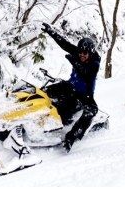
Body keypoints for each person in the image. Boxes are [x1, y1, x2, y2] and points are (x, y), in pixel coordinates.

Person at [40, 22, 100, 152]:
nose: (82, 55)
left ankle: (71, 137)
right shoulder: (78, 53)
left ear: (90, 53)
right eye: (80, 53)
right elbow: (65, 44)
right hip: (70, 85)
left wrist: (73, 61)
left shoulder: (95, 63)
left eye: (85, 53)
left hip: (85, 94)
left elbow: (85, 72)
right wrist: (51, 32)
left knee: (92, 110)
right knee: (44, 91)